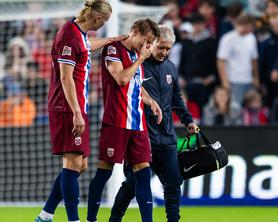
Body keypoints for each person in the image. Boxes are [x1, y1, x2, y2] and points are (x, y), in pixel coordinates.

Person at [35, 1, 128, 221]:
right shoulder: (68, 35)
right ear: (97, 19)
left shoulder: (77, 33)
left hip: (76, 106)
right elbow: (66, 77)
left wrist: (111, 40)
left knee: (80, 165)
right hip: (67, 107)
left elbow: (86, 45)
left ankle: (45, 215)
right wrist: (76, 112)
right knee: (73, 164)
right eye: (104, 22)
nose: (103, 25)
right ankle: (73, 219)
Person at [108, 24, 199, 222]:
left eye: (168, 49)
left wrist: (188, 120)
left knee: (174, 183)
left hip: (166, 137)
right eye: (161, 47)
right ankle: (115, 219)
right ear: (152, 43)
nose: (164, 52)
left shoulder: (170, 68)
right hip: (141, 135)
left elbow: (176, 99)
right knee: (132, 184)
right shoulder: (136, 64)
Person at [86, 18, 161, 222]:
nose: (145, 46)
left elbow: (135, 83)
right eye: (145, 40)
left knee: (143, 175)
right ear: (134, 31)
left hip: (137, 124)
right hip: (116, 122)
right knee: (104, 172)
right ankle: (90, 219)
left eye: (149, 43)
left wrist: (150, 100)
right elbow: (121, 78)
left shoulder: (138, 54)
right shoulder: (113, 50)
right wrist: (141, 60)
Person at [217, 14, 260, 105]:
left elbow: (254, 59)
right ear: (244, 25)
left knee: (250, 108)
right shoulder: (228, 38)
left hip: (248, 79)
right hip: (234, 80)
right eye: (249, 27)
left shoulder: (251, 37)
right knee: (236, 108)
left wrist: (256, 77)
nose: (251, 29)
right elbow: (220, 61)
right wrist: (224, 81)